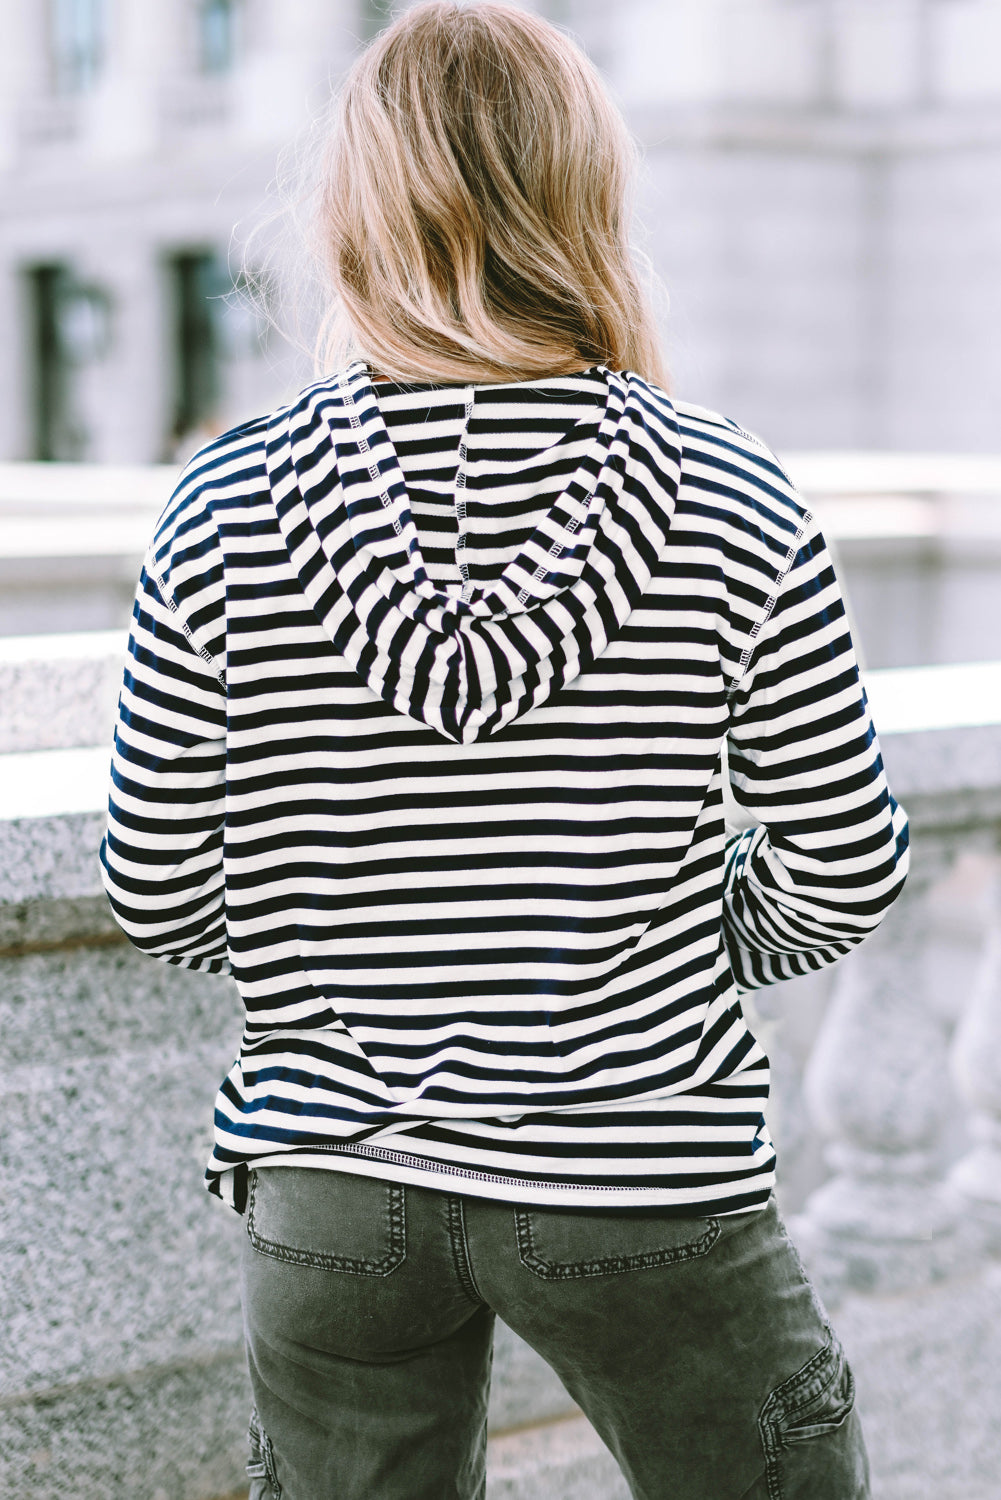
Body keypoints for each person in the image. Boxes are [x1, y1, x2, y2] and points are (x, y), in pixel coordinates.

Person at [100, 4, 909, 1497]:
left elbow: (154, 890)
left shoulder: (220, 504)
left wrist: (336, 941)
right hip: (642, 1169)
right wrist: (665, 935)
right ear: (583, 199)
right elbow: (846, 866)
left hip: (333, 1178)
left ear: (353, 210)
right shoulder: (727, 493)